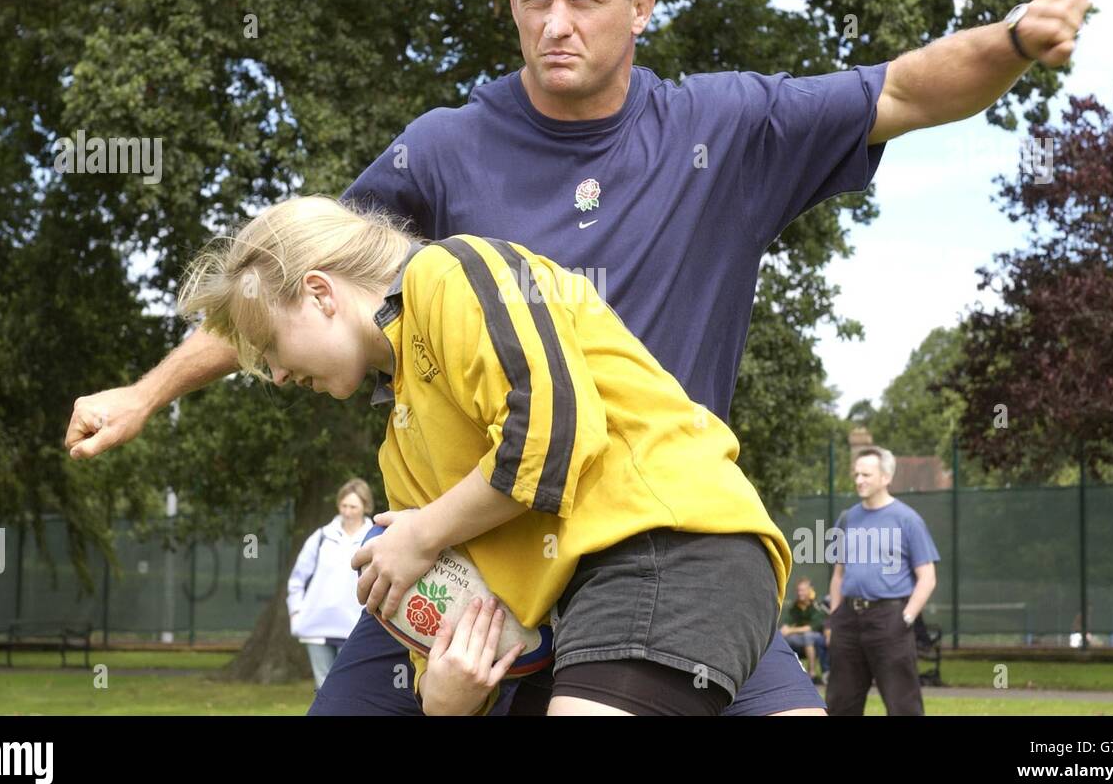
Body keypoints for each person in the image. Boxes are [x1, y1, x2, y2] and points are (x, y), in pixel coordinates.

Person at [64, 0, 1088, 717]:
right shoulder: (444, 148)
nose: (556, 22)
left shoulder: (724, 128)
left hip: (656, 532)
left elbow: (901, 93)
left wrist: (1012, 36)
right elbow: (280, 287)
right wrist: (151, 391)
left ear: (640, 7)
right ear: (510, 1)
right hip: (476, 538)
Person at [177, 196, 791, 716]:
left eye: (269, 346)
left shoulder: (450, 271)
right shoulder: (399, 441)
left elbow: (552, 437)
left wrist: (419, 535)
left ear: (318, 294)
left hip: (669, 548)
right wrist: (443, 697)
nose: (278, 375)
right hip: (574, 609)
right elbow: (442, 605)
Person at [825, 446, 939, 715]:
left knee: (903, 705)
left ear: (886, 477)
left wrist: (906, 618)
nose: (859, 480)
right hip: (847, 621)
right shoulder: (847, 518)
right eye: (856, 474)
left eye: (866, 474)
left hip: (890, 619)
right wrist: (834, 617)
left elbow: (928, 578)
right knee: (840, 703)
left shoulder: (908, 520)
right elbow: (839, 574)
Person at [287, 478, 375, 690]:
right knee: (323, 691)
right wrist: (296, 613)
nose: (347, 511)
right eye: (344, 506)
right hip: (316, 628)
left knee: (349, 690)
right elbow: (297, 579)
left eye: (353, 506)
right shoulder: (320, 537)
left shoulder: (375, 539)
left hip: (355, 628)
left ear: (365, 506)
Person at [781, 579, 829, 683]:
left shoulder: (817, 604)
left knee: (808, 636)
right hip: (800, 638)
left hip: (819, 639)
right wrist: (784, 630)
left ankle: (812, 673)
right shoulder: (796, 606)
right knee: (782, 638)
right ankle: (787, 675)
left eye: (802, 590)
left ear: (809, 590)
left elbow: (810, 628)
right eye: (798, 590)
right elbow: (787, 623)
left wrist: (790, 630)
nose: (800, 593)